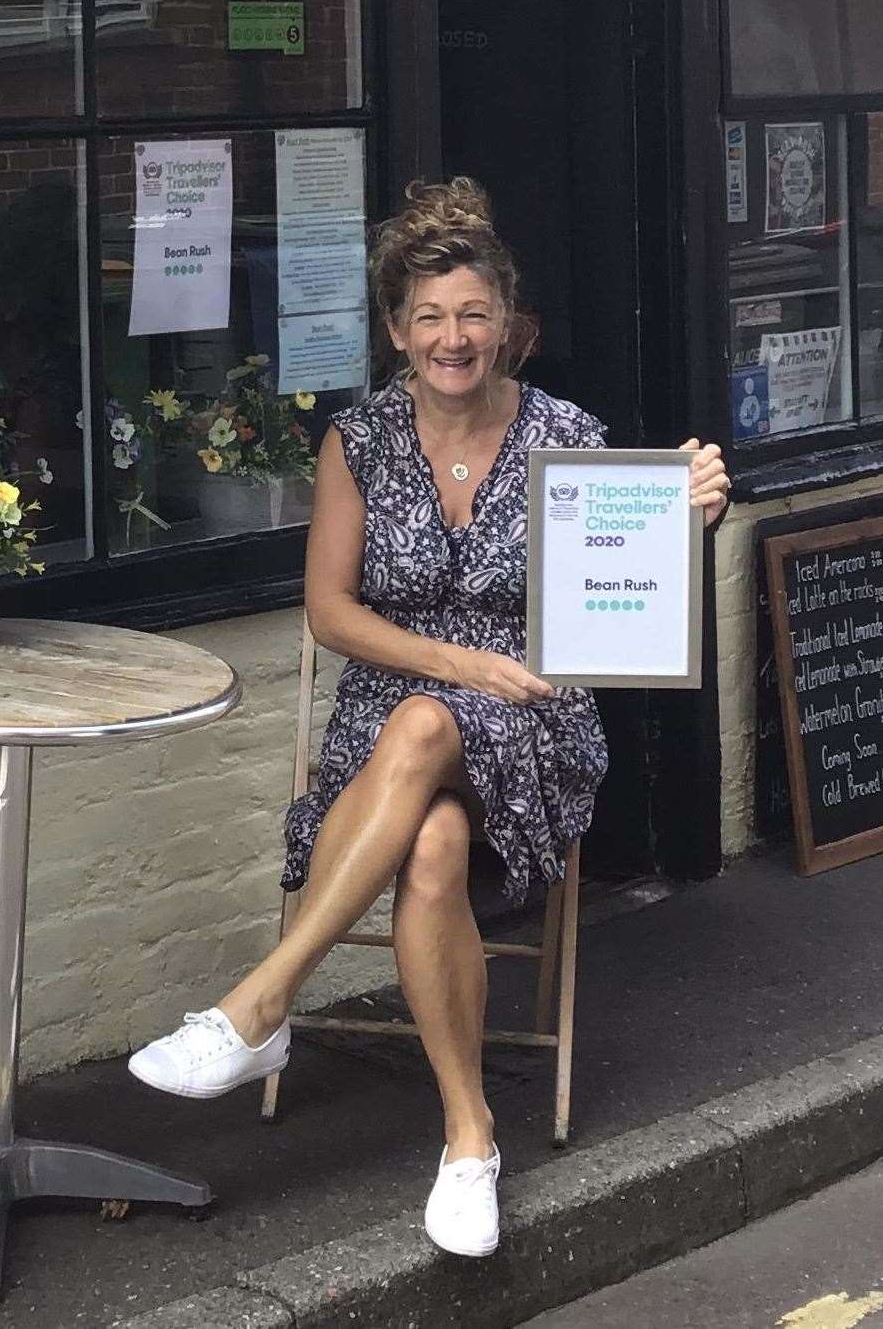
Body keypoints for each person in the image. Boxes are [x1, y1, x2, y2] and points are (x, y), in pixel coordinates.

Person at [128, 178, 730, 1257]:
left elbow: (623, 587)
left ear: (510, 323)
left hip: (534, 722)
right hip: (393, 725)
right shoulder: (358, 440)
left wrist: (687, 510)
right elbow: (330, 611)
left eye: (474, 314)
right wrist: (457, 662)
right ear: (397, 329)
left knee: (424, 729)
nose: (454, 338)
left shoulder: (568, 433)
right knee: (435, 834)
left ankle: (261, 1006)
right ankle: (470, 1138)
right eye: (431, 317)